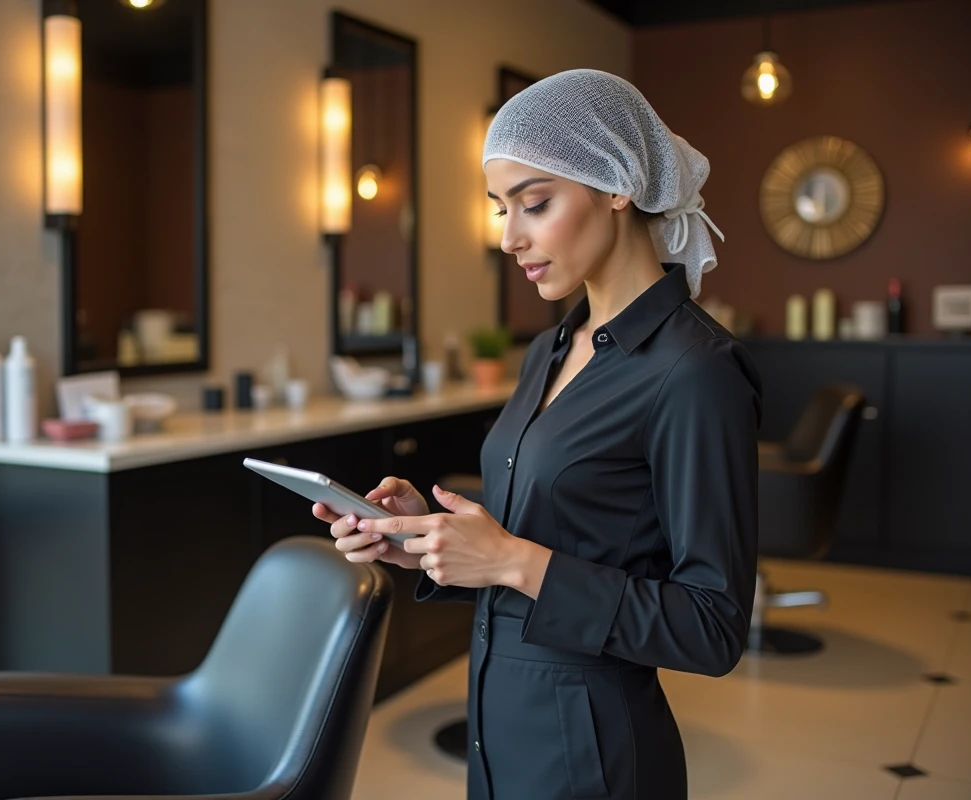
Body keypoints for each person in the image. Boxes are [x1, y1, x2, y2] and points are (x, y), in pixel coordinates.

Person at [313, 69, 761, 800]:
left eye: (535, 204)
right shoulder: (549, 349)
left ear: (617, 185)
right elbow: (537, 541)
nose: (508, 236)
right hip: (501, 736)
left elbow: (712, 628)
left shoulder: (695, 372)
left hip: (593, 757)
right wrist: (422, 543)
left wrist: (516, 562)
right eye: (500, 208)